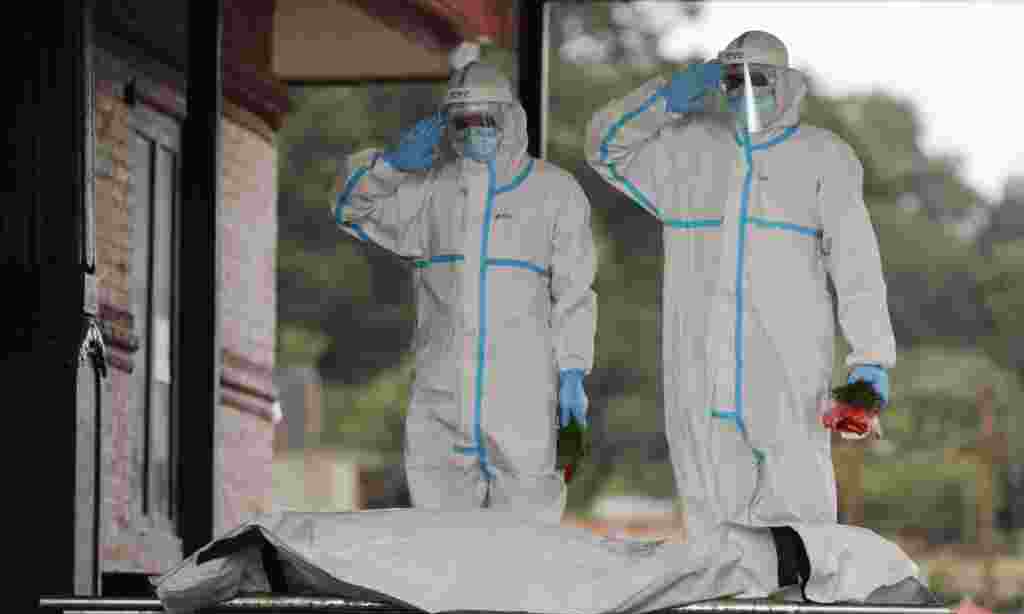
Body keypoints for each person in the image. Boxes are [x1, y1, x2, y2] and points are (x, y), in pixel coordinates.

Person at [584, 30, 895, 541]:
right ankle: (729, 609)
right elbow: (605, 146)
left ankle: (803, 612)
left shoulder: (823, 157)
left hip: (788, 371)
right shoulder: (688, 153)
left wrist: (871, 361)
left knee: (801, 514)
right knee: (710, 513)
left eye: (759, 79)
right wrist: (665, 99)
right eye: (733, 80)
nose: (746, 90)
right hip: (698, 367)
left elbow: (857, 267)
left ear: (787, 85)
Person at [330, 52, 597, 524]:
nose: (475, 129)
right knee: (441, 540)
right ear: (447, 123)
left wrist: (573, 374)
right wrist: (390, 165)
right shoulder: (428, 190)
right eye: (463, 120)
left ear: (510, 117)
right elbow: (350, 209)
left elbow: (575, 292)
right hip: (441, 393)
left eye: (486, 118)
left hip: (524, 396)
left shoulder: (554, 192)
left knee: (528, 540)